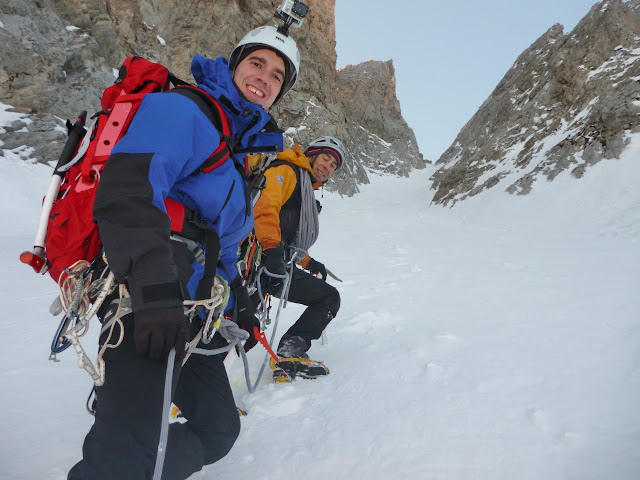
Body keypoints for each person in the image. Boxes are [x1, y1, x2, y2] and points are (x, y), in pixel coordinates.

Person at [68, 25, 300, 480]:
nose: (265, 78)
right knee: (123, 457)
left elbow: (222, 248)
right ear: (234, 66)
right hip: (146, 300)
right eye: (257, 63)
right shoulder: (185, 111)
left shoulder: (235, 155)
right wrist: (154, 292)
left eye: (278, 75)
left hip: (194, 314)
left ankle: (139, 459)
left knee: (217, 430)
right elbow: (130, 193)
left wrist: (241, 304)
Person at [251, 136, 345, 369]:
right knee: (240, 327)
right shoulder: (287, 172)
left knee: (328, 297)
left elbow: (289, 239)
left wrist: (308, 262)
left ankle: (291, 349)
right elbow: (265, 208)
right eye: (325, 158)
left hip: (272, 264)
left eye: (333, 165)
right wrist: (272, 250)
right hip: (255, 259)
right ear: (311, 155)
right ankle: (191, 392)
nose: (328, 167)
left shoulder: (304, 190)